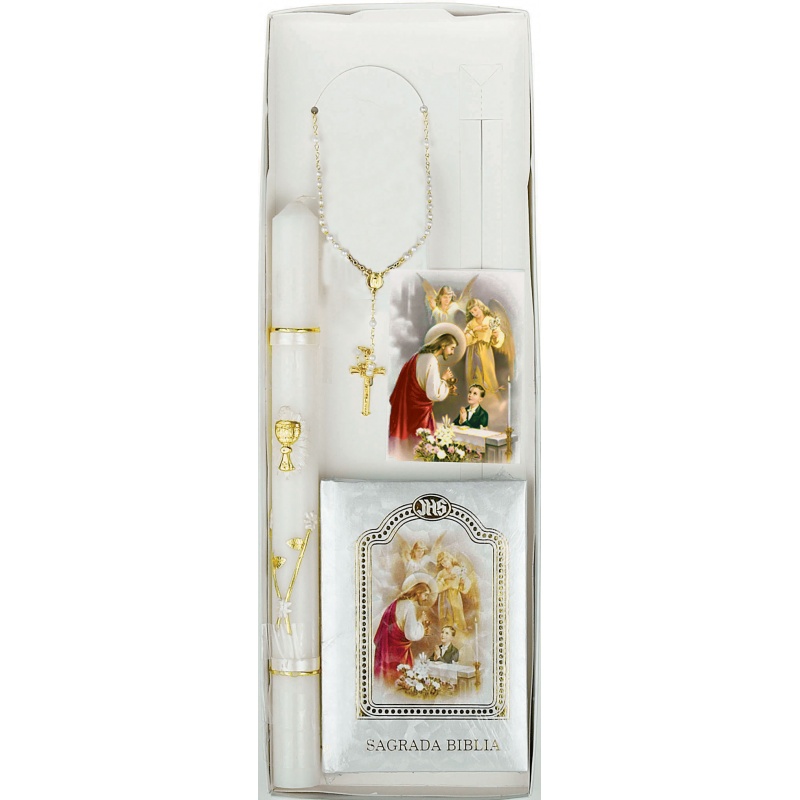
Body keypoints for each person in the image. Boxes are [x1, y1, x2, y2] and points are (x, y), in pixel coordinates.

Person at [389, 333, 457, 441]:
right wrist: (444, 380)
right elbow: (434, 394)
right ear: (443, 345)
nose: (452, 352)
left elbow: (422, 383)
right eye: (452, 348)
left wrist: (446, 387)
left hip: (408, 409)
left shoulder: (417, 356)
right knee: (422, 444)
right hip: (420, 414)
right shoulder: (432, 360)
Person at [373, 574, 437, 681]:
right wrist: (420, 622)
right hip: (398, 653)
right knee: (399, 681)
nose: (426, 598)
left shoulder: (397, 602)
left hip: (388, 648)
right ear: (418, 593)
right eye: (425, 595)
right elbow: (411, 635)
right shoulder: (409, 606)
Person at [464, 299, 505, 395]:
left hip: (485, 351)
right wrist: (475, 329)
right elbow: (464, 339)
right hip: (472, 352)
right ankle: (475, 396)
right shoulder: (471, 324)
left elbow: (499, 336)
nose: (474, 313)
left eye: (475, 310)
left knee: (488, 373)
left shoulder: (490, 320)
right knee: (474, 374)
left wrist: (496, 335)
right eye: (472, 312)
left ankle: (490, 397)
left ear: (481, 307)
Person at [435, 551, 472, 632]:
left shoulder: (458, 570)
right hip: (443, 597)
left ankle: (460, 633)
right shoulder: (441, 573)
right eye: (442, 563)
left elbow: (465, 585)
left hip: (455, 595)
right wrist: (445, 578)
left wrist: (462, 583)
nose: (444, 564)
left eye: (445, 561)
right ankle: (446, 633)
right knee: (446, 616)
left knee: (457, 613)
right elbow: (436, 587)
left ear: (450, 559)